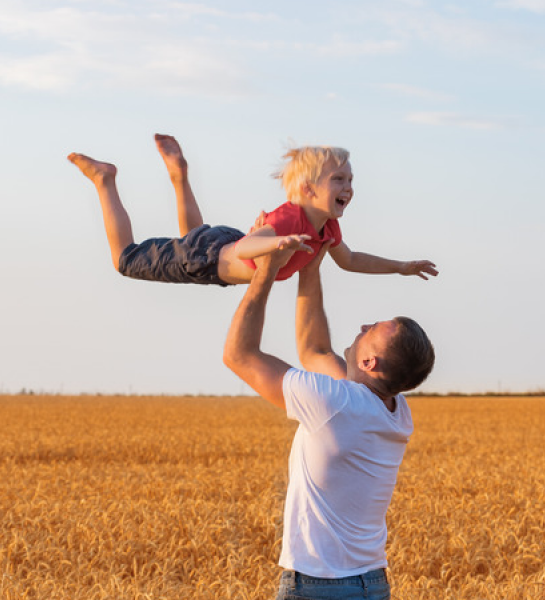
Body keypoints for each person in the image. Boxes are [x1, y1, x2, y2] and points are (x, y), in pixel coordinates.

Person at [223, 243, 435, 600]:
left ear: (370, 364)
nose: (364, 325)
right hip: (370, 583)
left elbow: (238, 355)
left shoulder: (337, 404)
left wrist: (266, 270)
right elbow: (315, 351)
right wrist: (311, 263)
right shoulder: (394, 410)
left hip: (320, 587)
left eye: (373, 330)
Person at [68, 134, 438, 286]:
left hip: (220, 247)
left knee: (193, 240)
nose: (348, 189)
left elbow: (351, 260)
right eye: (339, 180)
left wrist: (401, 267)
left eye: (350, 180)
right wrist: (276, 244)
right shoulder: (288, 220)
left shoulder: (325, 228)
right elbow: (246, 250)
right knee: (125, 260)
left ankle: (179, 177)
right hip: (219, 255)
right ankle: (104, 181)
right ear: (308, 190)